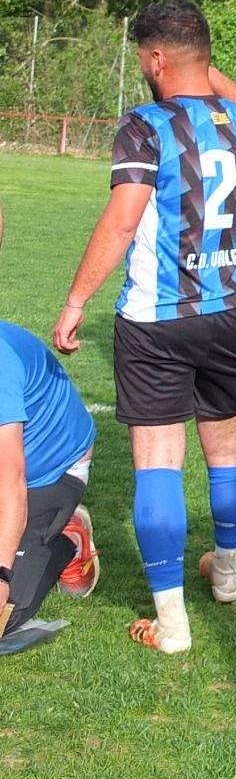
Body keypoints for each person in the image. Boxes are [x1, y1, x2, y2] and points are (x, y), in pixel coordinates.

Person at [54, 0, 236, 654]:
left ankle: (172, 625)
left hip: (159, 318)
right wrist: (205, 72)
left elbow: (123, 221)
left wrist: (74, 302)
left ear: (154, 60)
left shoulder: (145, 126)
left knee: (158, 460)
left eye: (144, 60)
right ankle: (226, 576)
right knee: (228, 447)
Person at [2, 240, 100, 652]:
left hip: (49, 470)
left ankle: (68, 537)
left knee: (8, 614)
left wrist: (1, 577)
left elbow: (11, 478)